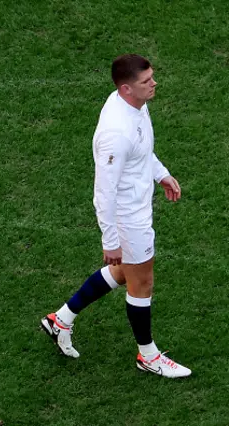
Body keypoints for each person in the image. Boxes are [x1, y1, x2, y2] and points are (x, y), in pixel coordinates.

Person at [41, 54, 191, 379]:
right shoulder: (115, 133)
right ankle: (148, 355)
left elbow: (142, 151)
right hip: (128, 218)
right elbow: (103, 193)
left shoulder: (136, 105)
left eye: (151, 77)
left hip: (138, 207)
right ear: (126, 88)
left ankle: (60, 320)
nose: (154, 84)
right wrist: (111, 239)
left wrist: (160, 173)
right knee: (142, 281)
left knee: (124, 273)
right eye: (146, 81)